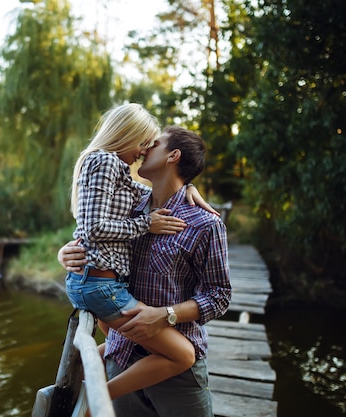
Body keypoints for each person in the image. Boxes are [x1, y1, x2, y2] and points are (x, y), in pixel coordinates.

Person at [59, 125, 231, 417]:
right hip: (121, 357)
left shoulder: (206, 224)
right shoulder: (128, 206)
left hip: (177, 370)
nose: (145, 146)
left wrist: (166, 315)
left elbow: (220, 296)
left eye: (156, 143)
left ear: (172, 156)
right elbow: (94, 231)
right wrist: (67, 252)